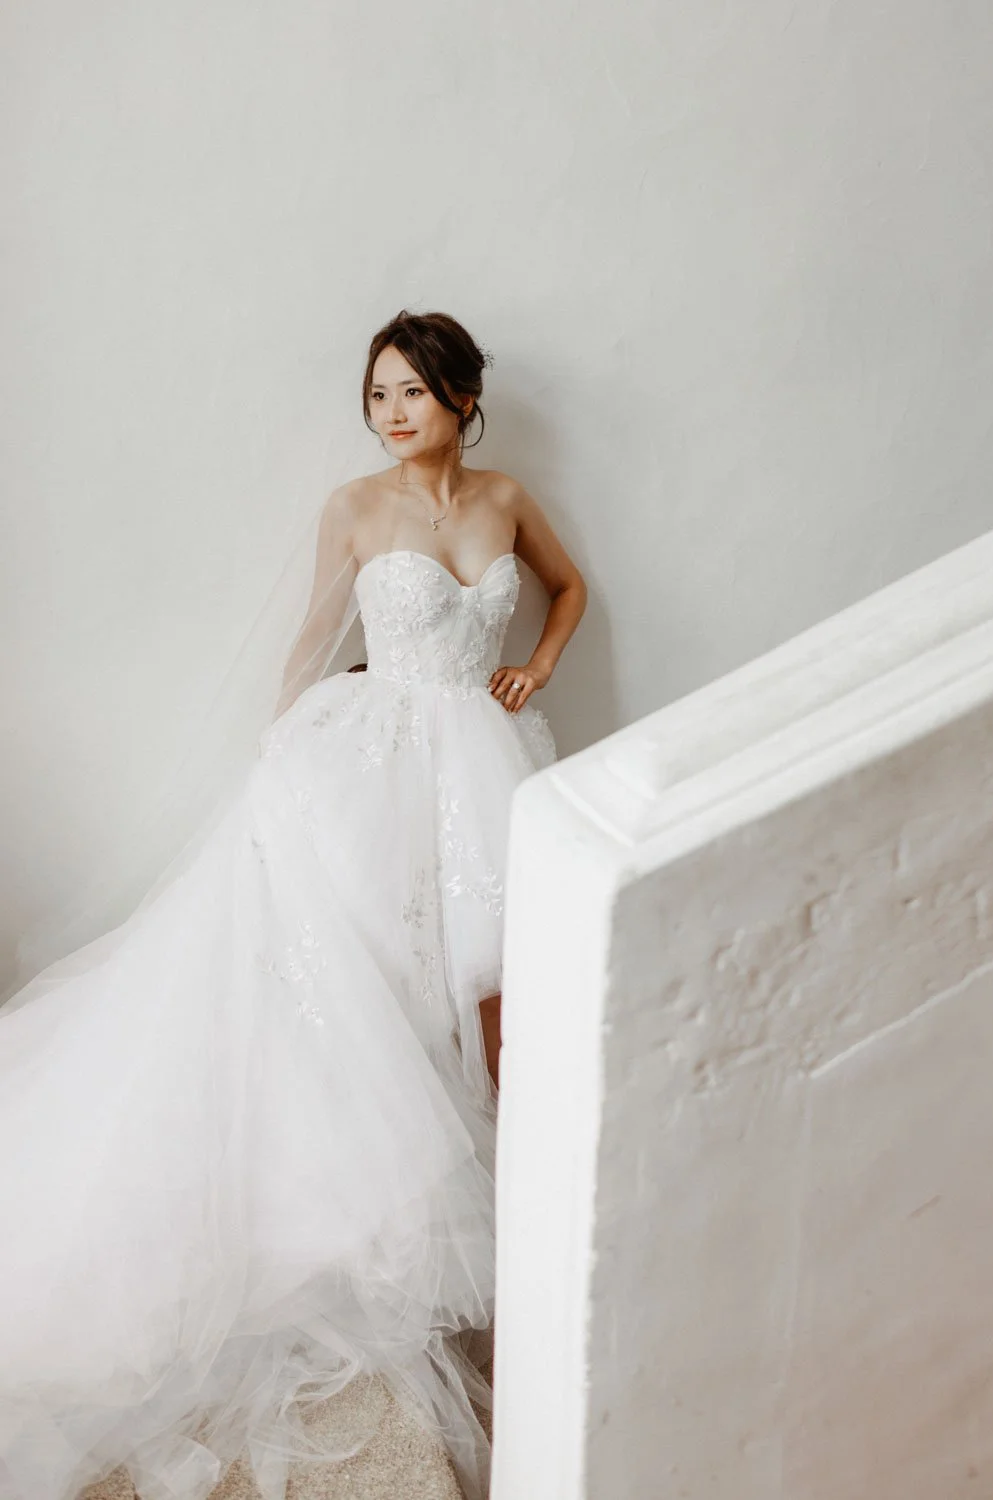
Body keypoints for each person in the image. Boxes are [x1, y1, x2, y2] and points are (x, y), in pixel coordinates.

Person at [0, 309, 586, 1500]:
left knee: (497, 977)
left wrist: (540, 663)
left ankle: (521, 1214)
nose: (391, 413)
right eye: (377, 395)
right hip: (373, 755)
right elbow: (318, 632)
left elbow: (569, 592)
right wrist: (286, 745)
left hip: (480, 752)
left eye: (412, 392)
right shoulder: (356, 508)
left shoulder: (507, 498)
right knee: (366, 973)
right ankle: (392, 1211)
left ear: (462, 398)